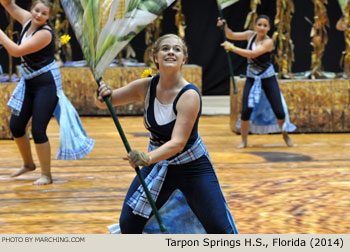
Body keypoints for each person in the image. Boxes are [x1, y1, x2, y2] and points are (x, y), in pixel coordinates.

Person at [96, 34, 238, 234]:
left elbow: (178, 143)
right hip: (157, 165)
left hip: (192, 168)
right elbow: (105, 103)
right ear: (155, 57)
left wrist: (146, 157)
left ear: (183, 60)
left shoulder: (189, 95)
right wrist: (102, 95)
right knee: (129, 224)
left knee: (220, 230)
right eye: (165, 48)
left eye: (177, 49)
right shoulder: (145, 87)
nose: (171, 51)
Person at [0, 0, 94, 185]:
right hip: (29, 83)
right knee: (17, 127)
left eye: (44, 14)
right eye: (36, 11)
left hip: (46, 85)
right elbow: (9, 5)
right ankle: (28, 164)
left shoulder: (45, 34)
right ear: (31, 9)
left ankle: (46, 175)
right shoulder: (27, 19)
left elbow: (17, 51)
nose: (38, 15)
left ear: (48, 17)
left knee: (38, 129)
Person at [217, 15, 295, 148]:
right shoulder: (250, 35)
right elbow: (230, 35)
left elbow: (252, 54)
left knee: (279, 110)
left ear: (269, 28)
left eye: (265, 25)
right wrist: (224, 26)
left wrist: (232, 48)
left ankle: (285, 135)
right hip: (252, 77)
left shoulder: (268, 42)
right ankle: (244, 141)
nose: (262, 28)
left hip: (267, 78)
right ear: (255, 25)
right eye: (259, 24)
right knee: (246, 110)